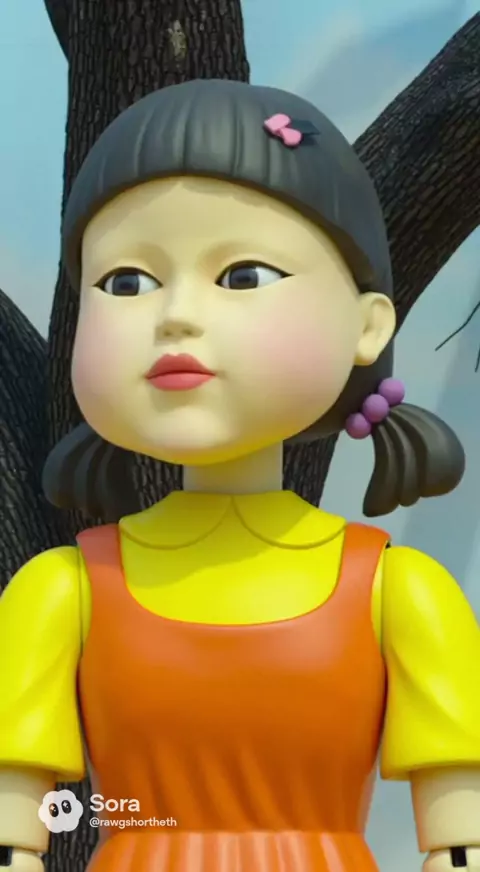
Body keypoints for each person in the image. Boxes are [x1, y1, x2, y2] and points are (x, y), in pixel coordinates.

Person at [0, 79, 478, 872]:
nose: (176, 316)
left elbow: (460, 838)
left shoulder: (401, 593)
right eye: (126, 283)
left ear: (367, 327)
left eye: (244, 275)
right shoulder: (60, 593)